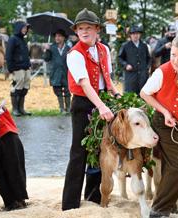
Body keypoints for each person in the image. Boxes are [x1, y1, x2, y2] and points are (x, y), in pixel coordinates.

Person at [62, 8, 121, 211]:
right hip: (83, 103)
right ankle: (69, 204)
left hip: (102, 100)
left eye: (88, 28)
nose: (84, 32)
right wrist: (101, 106)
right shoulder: (75, 54)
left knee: (100, 150)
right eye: (80, 28)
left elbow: (107, 77)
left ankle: (94, 198)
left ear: (97, 29)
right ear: (76, 31)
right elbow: (85, 85)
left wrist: (116, 94)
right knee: (79, 152)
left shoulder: (104, 49)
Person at [140, 31, 178, 217]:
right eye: (173, 55)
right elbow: (144, 93)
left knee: (169, 165)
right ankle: (158, 209)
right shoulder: (162, 71)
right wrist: (165, 111)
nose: (176, 60)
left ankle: (171, 205)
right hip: (163, 121)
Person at [5, 21, 32, 116]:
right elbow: (8, 55)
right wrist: (10, 68)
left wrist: (28, 65)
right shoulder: (13, 39)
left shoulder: (23, 40)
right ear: (19, 28)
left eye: (26, 28)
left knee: (25, 87)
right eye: (24, 28)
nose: (25, 30)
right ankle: (15, 109)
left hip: (26, 67)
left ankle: (21, 108)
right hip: (17, 68)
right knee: (17, 87)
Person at [43, 29, 71, 114]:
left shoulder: (68, 48)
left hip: (66, 73)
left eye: (59, 36)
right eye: (56, 36)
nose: (57, 38)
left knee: (67, 91)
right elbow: (46, 59)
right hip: (55, 73)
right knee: (57, 91)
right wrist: (46, 50)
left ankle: (68, 108)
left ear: (63, 38)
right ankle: (62, 108)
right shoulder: (51, 47)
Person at [118, 25, 151, 95]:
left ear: (140, 35)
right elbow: (120, 58)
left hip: (142, 76)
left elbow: (149, 58)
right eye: (133, 34)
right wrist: (126, 65)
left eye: (137, 34)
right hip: (131, 76)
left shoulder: (144, 46)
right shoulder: (125, 46)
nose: (135, 35)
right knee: (130, 95)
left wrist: (147, 68)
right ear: (130, 35)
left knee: (143, 95)